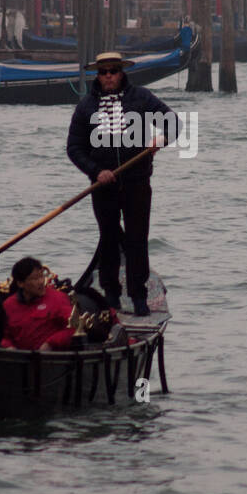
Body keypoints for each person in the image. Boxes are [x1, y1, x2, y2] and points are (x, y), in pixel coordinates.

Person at [67, 50, 177, 316]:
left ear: (121, 72)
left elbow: (173, 123)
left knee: (138, 239)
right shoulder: (86, 106)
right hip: (103, 184)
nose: (108, 76)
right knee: (108, 237)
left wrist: (160, 140)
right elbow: (74, 148)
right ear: (98, 75)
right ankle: (112, 295)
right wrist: (96, 171)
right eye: (103, 72)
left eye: (113, 71)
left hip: (137, 181)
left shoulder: (141, 97)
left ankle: (138, 297)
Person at [0, 257, 74, 351]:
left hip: (49, 358)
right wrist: (8, 346)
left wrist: (50, 343)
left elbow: (73, 328)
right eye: (35, 278)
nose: (41, 282)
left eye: (42, 276)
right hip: (19, 359)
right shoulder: (8, 305)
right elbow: (3, 335)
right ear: (20, 283)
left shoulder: (58, 299)